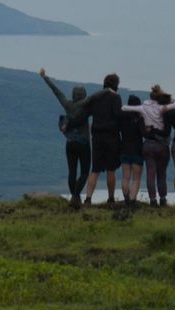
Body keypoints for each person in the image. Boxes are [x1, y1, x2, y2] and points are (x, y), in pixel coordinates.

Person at [123, 85, 175, 206]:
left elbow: (125, 108)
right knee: (161, 174)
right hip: (162, 145)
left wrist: (121, 107)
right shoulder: (163, 109)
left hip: (148, 146)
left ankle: (153, 199)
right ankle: (163, 198)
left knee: (150, 174)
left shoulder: (143, 108)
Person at [39, 69, 96, 208]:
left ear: (73, 95)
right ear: (84, 95)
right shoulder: (85, 105)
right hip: (83, 143)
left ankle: (74, 198)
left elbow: (57, 92)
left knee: (72, 172)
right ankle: (76, 196)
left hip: (70, 143)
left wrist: (45, 77)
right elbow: (96, 98)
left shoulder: (67, 104)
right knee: (84, 172)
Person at [83, 73, 124, 206]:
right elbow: (118, 114)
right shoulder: (116, 97)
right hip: (112, 137)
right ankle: (111, 199)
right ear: (116, 84)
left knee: (94, 170)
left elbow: (86, 112)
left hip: (97, 137)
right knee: (111, 169)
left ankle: (88, 199)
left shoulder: (96, 97)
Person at [118, 94, 148, 207]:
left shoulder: (122, 118)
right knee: (136, 179)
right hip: (137, 151)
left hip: (124, 149)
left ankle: (126, 198)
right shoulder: (139, 119)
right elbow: (144, 134)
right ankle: (132, 200)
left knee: (125, 177)